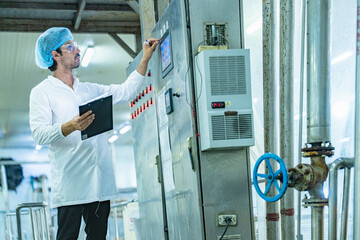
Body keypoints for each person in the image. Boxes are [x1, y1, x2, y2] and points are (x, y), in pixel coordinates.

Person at [29, 27, 158, 240]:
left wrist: (145, 58)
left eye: (75, 45)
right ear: (55, 55)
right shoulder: (42, 92)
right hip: (71, 186)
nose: (77, 50)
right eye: (70, 47)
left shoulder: (90, 89)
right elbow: (39, 134)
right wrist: (70, 126)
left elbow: (126, 91)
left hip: (99, 185)